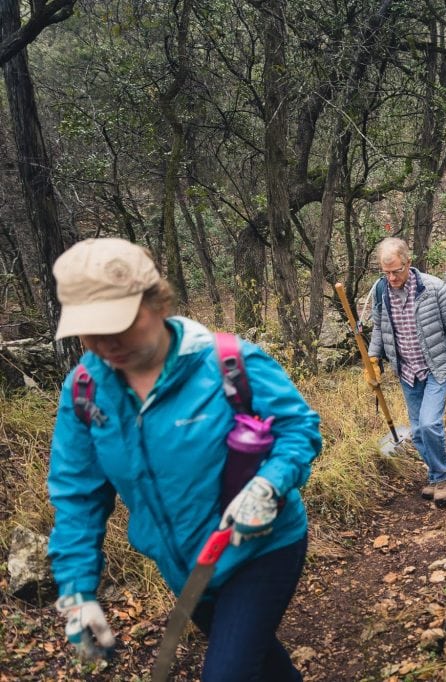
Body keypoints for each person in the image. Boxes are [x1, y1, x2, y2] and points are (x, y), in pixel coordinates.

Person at [47, 238, 321, 680]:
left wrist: (269, 485)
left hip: (260, 548)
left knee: (229, 673)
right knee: (260, 664)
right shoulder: (84, 391)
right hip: (184, 567)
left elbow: (299, 429)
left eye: (118, 322)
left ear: (156, 301)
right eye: (89, 329)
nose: (104, 341)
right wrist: (77, 591)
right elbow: (78, 496)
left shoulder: (228, 363)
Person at [368, 239, 446, 507]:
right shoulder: (382, 290)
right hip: (406, 369)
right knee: (417, 432)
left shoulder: (434, 288)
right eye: (386, 272)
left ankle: (443, 476)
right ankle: (435, 473)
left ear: (408, 263)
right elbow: (379, 328)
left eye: (396, 271)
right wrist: (373, 357)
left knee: (429, 424)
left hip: (437, 366)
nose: (391, 277)